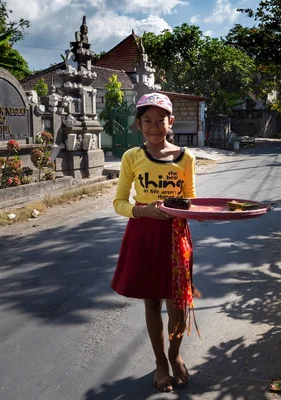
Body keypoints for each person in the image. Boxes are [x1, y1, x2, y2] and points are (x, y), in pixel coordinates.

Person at [111, 92, 200, 393]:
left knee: (178, 305)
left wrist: (188, 207)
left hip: (176, 238)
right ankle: (160, 362)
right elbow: (120, 203)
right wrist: (143, 210)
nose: (154, 127)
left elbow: (191, 199)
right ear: (138, 124)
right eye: (147, 121)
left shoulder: (186, 158)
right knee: (152, 304)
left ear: (170, 121)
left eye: (160, 120)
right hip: (144, 235)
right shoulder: (131, 158)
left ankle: (175, 355)